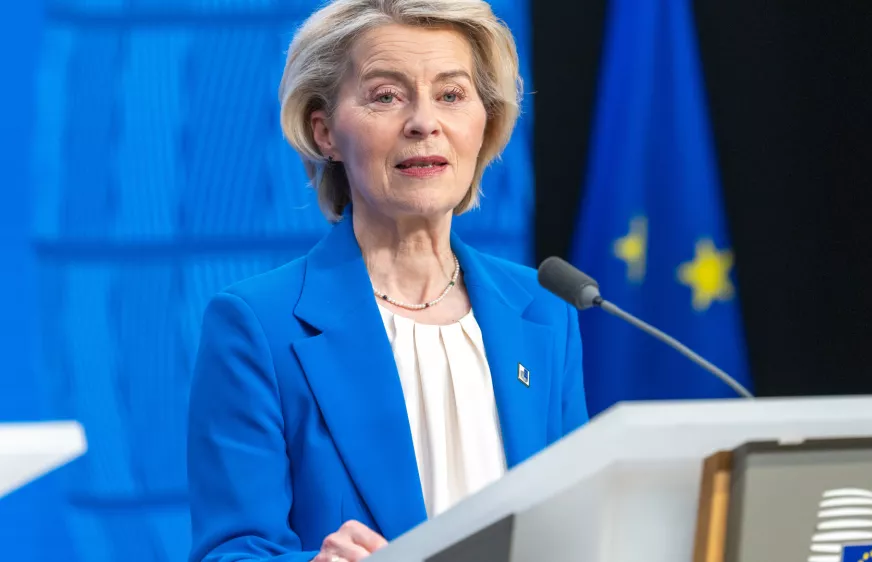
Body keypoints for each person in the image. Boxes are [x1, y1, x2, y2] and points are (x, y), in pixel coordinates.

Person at [185, 1, 589, 561]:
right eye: (386, 96)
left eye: (451, 95)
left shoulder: (543, 309)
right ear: (324, 132)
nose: (425, 122)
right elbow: (230, 551)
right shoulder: (257, 325)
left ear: (485, 123)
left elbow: (574, 527)